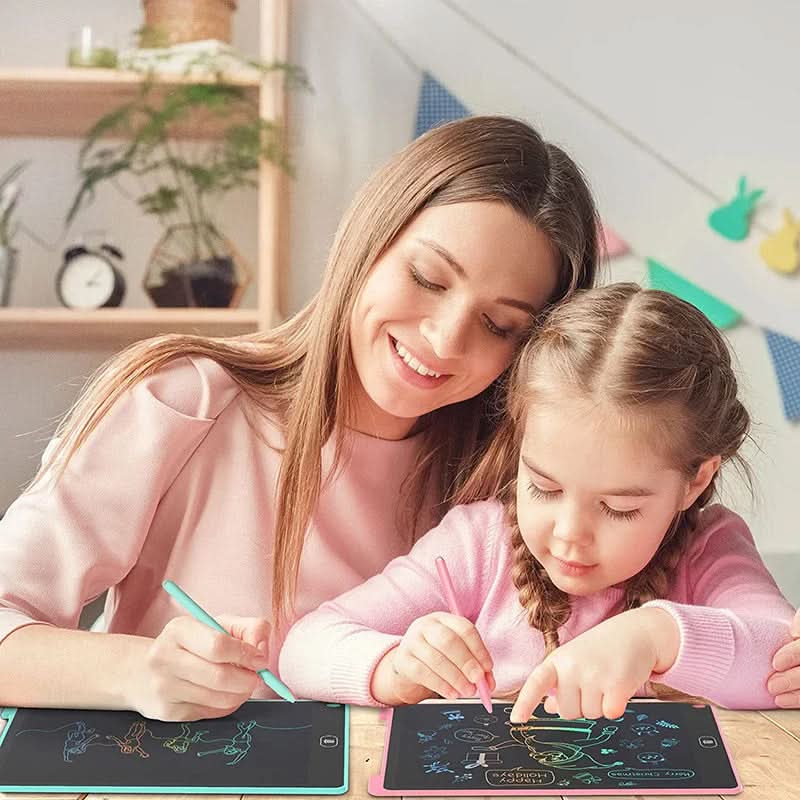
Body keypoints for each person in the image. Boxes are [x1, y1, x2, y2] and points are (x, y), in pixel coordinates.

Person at [0, 116, 600, 721]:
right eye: (427, 278)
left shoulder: (518, 491)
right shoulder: (185, 402)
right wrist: (136, 673)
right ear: (369, 240)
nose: (445, 340)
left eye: (499, 325)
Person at [279, 283, 796, 718]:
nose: (569, 532)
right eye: (543, 488)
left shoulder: (710, 547)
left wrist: (656, 635)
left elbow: (783, 658)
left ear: (696, 481)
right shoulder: (477, 544)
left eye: (619, 507)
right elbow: (304, 646)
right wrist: (394, 667)